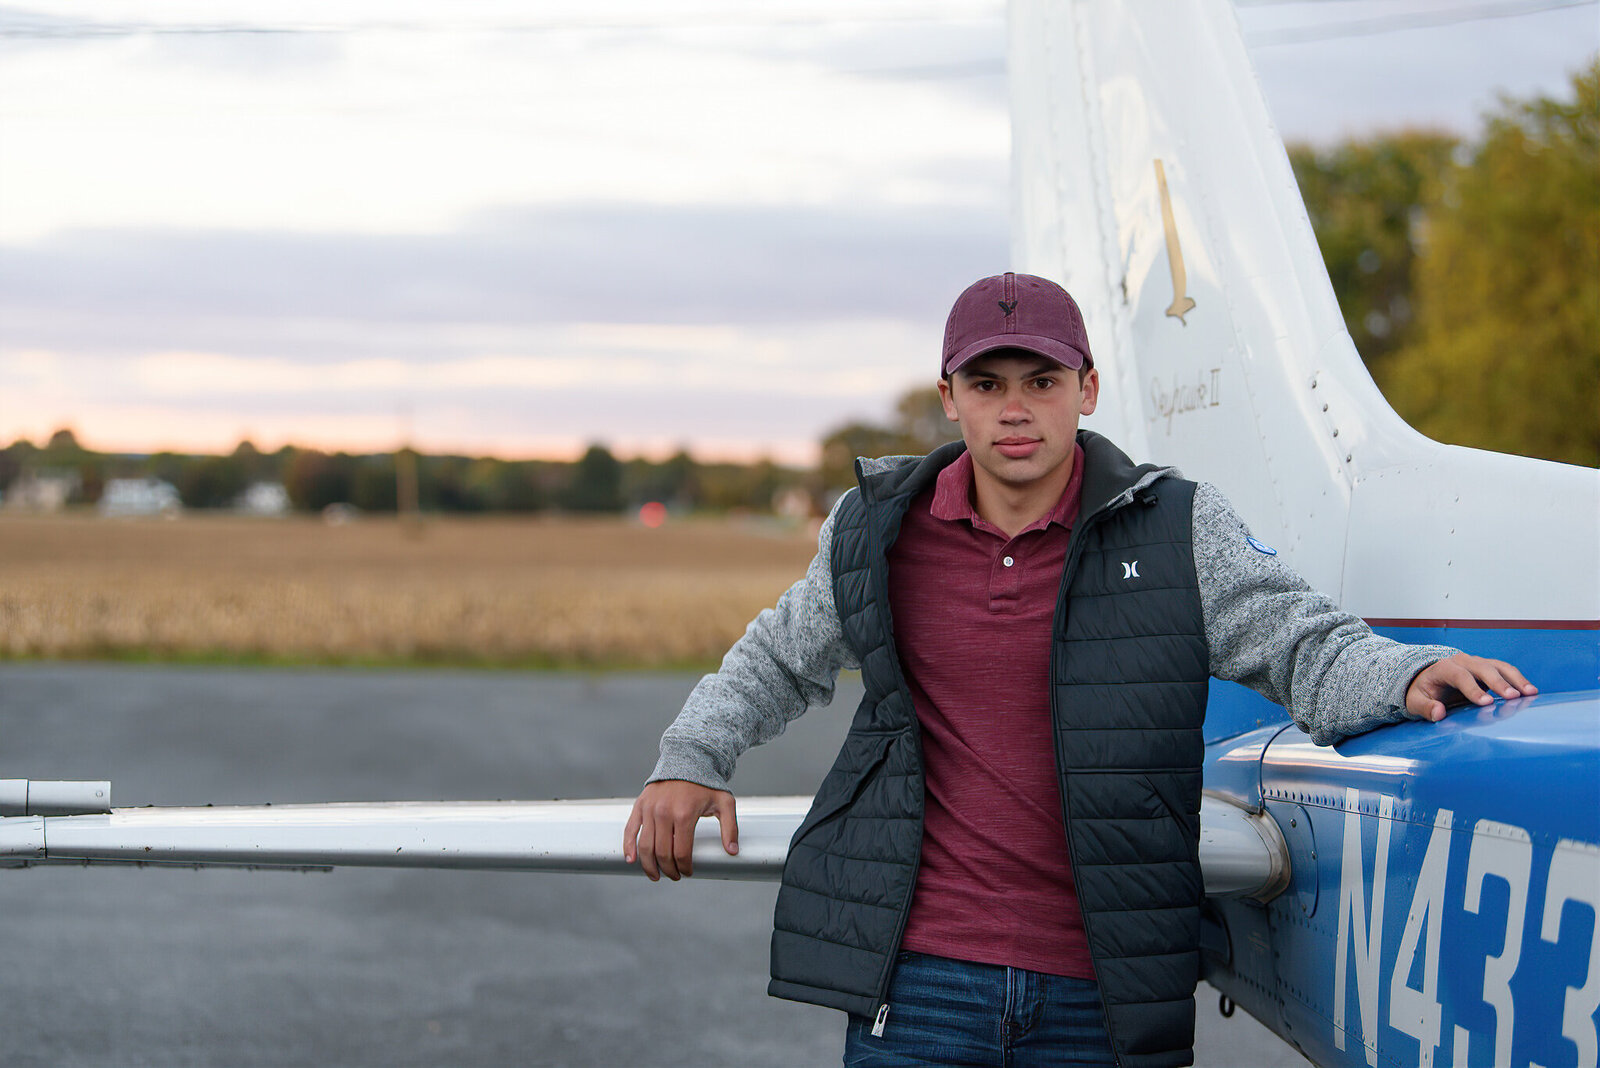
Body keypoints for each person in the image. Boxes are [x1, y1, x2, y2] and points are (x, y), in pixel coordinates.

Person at [622, 272, 1535, 1068]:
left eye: (1041, 382)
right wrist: (689, 758)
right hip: (920, 987)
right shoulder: (878, 528)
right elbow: (776, 657)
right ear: (950, 397)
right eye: (987, 384)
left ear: (1086, 389)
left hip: (1098, 996)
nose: (1014, 408)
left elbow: (1300, 639)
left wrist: (1402, 673)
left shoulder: (1176, 526)